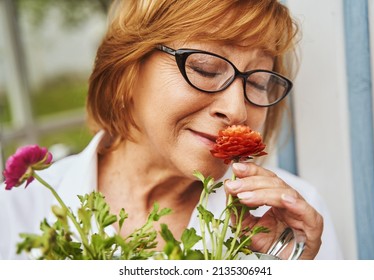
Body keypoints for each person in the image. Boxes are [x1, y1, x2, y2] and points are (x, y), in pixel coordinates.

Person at [0, 0, 343, 260]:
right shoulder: (19, 209)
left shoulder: (294, 220)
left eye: (259, 83)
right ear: (127, 71)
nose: (238, 110)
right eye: (206, 69)